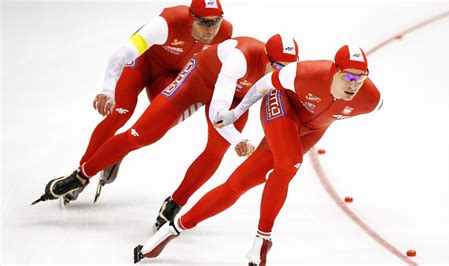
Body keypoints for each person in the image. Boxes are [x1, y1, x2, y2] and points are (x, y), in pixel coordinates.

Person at [32, 33, 301, 240]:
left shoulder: (283, 76)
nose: (281, 73)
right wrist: (238, 140)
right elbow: (218, 111)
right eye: (276, 66)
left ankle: (175, 203)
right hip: (197, 81)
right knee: (142, 135)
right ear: (265, 57)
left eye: (287, 68)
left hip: (235, 97)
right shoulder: (240, 58)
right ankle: (81, 175)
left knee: (215, 152)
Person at [133, 45, 383, 265]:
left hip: (311, 131)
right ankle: (263, 239)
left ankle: (174, 228)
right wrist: (236, 111)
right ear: (334, 70)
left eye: (360, 78)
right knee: (288, 165)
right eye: (348, 76)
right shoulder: (304, 73)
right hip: (282, 108)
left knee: (238, 183)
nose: (353, 84)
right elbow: (263, 85)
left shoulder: (371, 100)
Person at [62, 0, 233, 204]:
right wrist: (108, 90)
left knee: (154, 126)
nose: (211, 30)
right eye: (205, 23)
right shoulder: (166, 23)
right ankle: (81, 176)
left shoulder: (225, 33)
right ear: (190, 18)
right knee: (120, 112)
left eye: (216, 22)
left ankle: (118, 150)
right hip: (142, 64)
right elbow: (121, 54)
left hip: (173, 75)